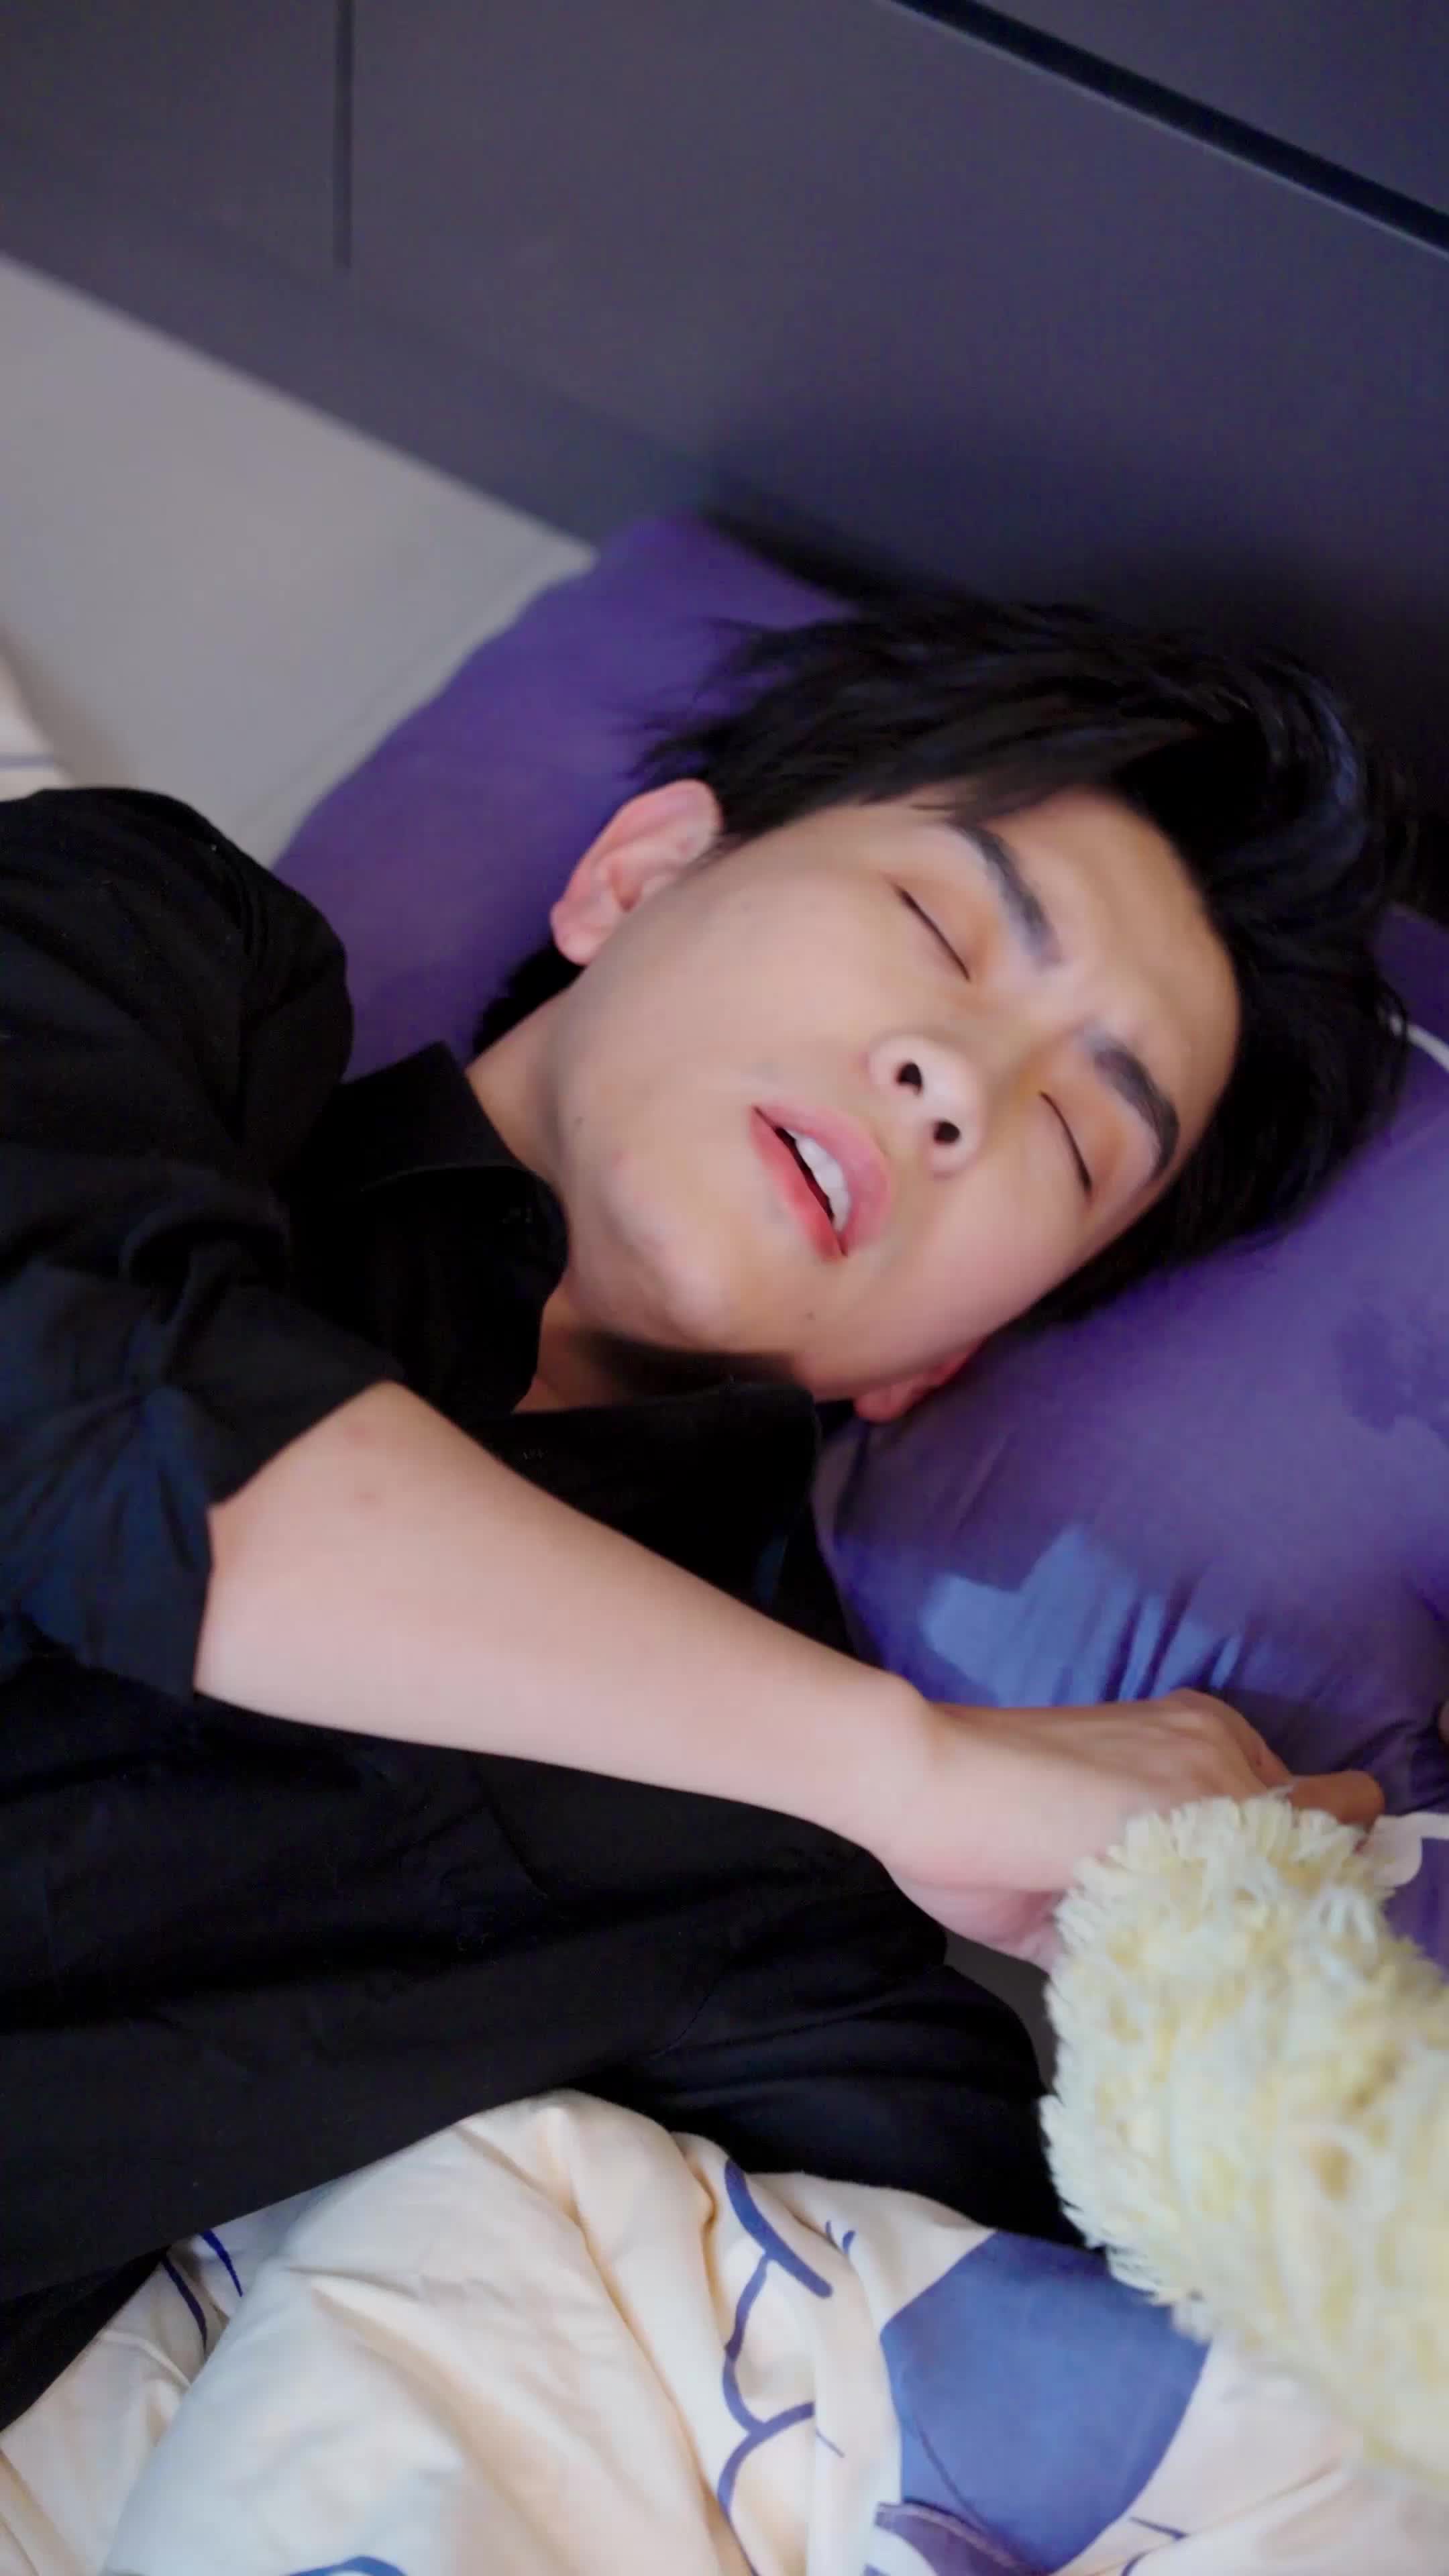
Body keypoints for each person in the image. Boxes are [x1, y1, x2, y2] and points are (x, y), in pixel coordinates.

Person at [0, 596, 1403, 2424]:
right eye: (943, 927)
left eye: (1075, 1139)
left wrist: (1239, 1997)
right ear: (641, 871)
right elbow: (99, 1424)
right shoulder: (135, 944)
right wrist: (907, 1769)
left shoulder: (769, 1879)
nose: (961, 1086)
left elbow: (1093, 2401)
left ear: (941, 1361)